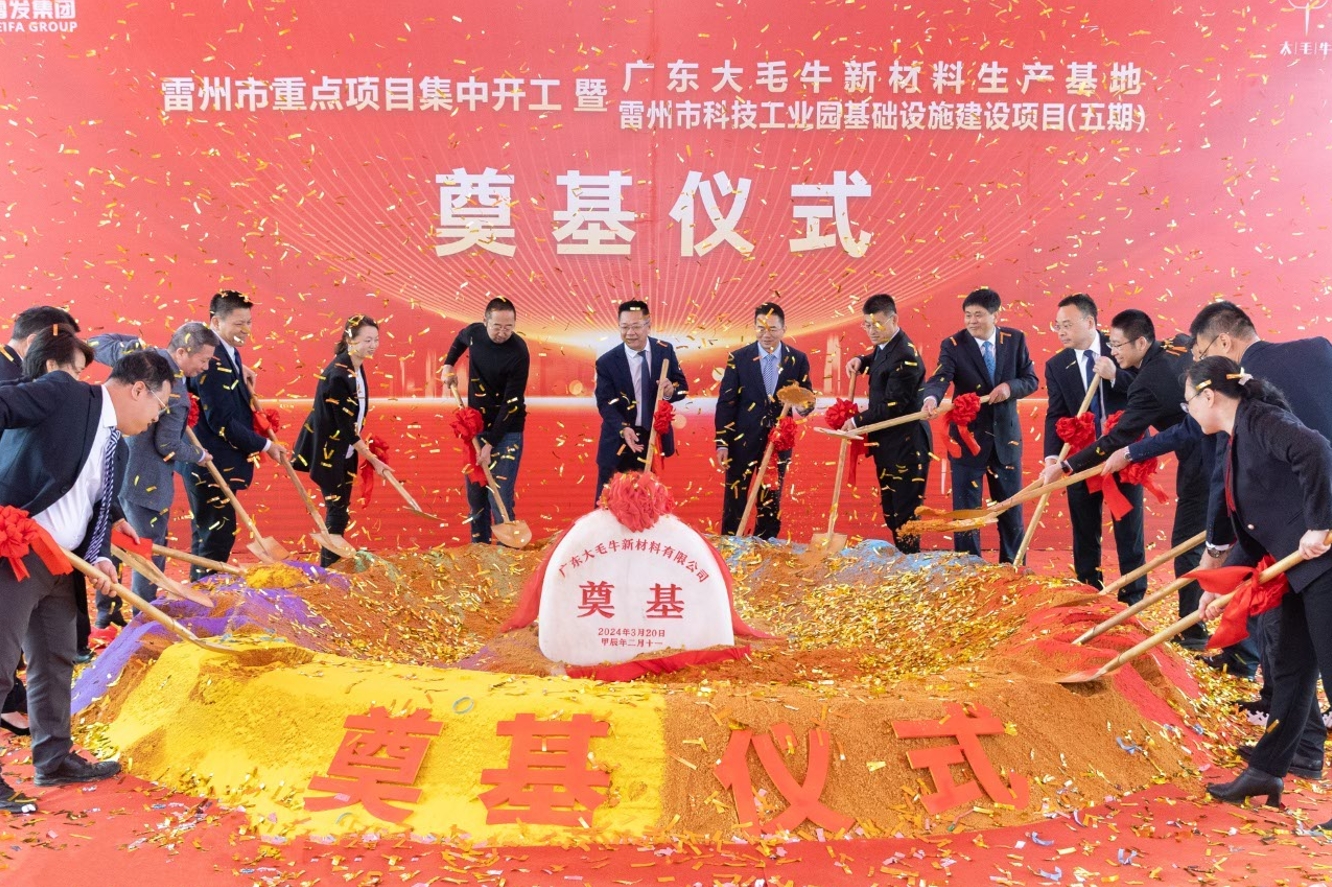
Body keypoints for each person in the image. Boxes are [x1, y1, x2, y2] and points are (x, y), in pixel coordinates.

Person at [0, 349, 174, 815]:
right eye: (160, 405)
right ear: (139, 389)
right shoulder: (65, 394)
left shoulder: (117, 443)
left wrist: (101, 554)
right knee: (0, 664)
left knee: (55, 659)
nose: (157, 417)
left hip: (62, 562)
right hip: (16, 552)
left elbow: (95, 499)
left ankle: (53, 759)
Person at [1187, 357, 1332, 826]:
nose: (1189, 411)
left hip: (1324, 561)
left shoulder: (1261, 419)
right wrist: (1222, 587)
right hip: (1294, 570)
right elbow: (1252, 531)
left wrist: (1320, 523)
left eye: (1189, 402)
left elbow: (1316, 450)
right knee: (1288, 671)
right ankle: (1267, 772)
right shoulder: (1237, 437)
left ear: (1209, 396)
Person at [1041, 309, 1210, 647]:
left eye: (1118, 346)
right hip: (1205, 447)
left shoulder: (1147, 382)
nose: (1112, 351)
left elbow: (1118, 437)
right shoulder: (1178, 345)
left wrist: (1068, 466)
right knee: (1203, 543)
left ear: (1142, 343)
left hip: (1204, 459)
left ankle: (1193, 634)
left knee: (1188, 545)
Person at [90, 322, 220, 622]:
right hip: (147, 483)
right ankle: (144, 618)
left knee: (113, 543)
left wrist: (133, 342)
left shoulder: (141, 360)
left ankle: (106, 612)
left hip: (114, 472)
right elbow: (167, 445)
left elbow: (97, 342)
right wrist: (199, 455)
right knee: (148, 552)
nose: (204, 367)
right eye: (202, 360)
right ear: (182, 352)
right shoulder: (175, 393)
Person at [921, 287, 1039, 562]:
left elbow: (1031, 380)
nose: (972, 321)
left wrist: (1010, 388)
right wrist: (931, 398)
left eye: (979, 315)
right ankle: (968, 568)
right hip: (967, 441)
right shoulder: (953, 344)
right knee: (966, 514)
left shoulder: (1015, 339)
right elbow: (941, 377)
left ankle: (1013, 566)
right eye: (968, 315)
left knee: (1011, 510)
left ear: (996, 315)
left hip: (1006, 440)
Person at [1042, 294, 1146, 601]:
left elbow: (1146, 390)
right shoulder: (1057, 365)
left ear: (1090, 322)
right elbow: (1055, 413)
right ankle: (1089, 592)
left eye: (1067, 325)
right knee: (1084, 529)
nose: (1061, 332)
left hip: (1123, 454)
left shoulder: (1120, 349)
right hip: (1080, 458)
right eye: (1057, 325)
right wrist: (1052, 456)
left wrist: (1116, 376)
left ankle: (1132, 596)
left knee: (1129, 528)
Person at [184, 290, 286, 578]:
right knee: (215, 537)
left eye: (249, 322)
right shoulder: (212, 360)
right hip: (211, 462)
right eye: (238, 324)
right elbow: (222, 421)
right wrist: (265, 445)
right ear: (216, 322)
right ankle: (205, 594)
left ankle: (200, 591)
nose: (246, 330)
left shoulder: (224, 351)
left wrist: (238, 369)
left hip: (215, 461)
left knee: (209, 534)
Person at [293, 316, 390, 567]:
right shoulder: (338, 374)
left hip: (345, 450)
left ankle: (331, 567)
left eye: (376, 339)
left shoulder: (356, 366)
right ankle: (329, 571)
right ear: (350, 340)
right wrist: (373, 459)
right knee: (337, 510)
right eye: (367, 340)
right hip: (329, 452)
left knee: (340, 509)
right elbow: (345, 427)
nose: (373, 345)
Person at [842, 294, 932, 553]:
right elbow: (880, 361)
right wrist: (862, 360)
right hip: (888, 444)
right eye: (867, 325)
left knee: (905, 516)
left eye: (877, 325)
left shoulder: (905, 355)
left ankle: (910, 566)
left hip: (907, 446)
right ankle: (903, 564)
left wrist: (856, 420)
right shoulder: (887, 345)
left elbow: (893, 406)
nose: (872, 331)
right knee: (892, 511)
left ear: (894, 319)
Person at [715, 303, 812, 538]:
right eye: (761, 328)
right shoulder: (739, 358)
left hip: (779, 442)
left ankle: (766, 546)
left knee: (771, 498)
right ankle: (730, 545)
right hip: (741, 440)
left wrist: (803, 405)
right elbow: (726, 402)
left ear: (784, 329)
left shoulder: (797, 359)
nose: (766, 334)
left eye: (773, 329)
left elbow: (807, 398)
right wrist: (722, 442)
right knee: (735, 497)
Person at [441, 298, 530, 544]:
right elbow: (459, 339)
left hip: (507, 431)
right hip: (475, 427)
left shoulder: (519, 352)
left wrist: (491, 443)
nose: (503, 332)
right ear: (485, 322)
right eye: (497, 326)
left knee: (499, 496)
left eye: (509, 327)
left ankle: (507, 553)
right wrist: (448, 364)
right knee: (476, 496)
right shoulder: (474, 333)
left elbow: (511, 404)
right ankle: (479, 550)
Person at [593, 300, 689, 502]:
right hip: (618, 440)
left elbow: (682, 387)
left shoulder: (664, 350)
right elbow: (604, 403)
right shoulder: (607, 362)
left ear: (648, 324)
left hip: (652, 438)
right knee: (609, 506)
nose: (630, 333)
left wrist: (670, 391)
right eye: (624, 327)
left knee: (648, 504)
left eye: (636, 326)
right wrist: (623, 428)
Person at [0, 305, 79, 382]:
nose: (62, 358)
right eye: (59, 348)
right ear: (33, 342)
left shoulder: (11, 368)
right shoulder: (12, 380)